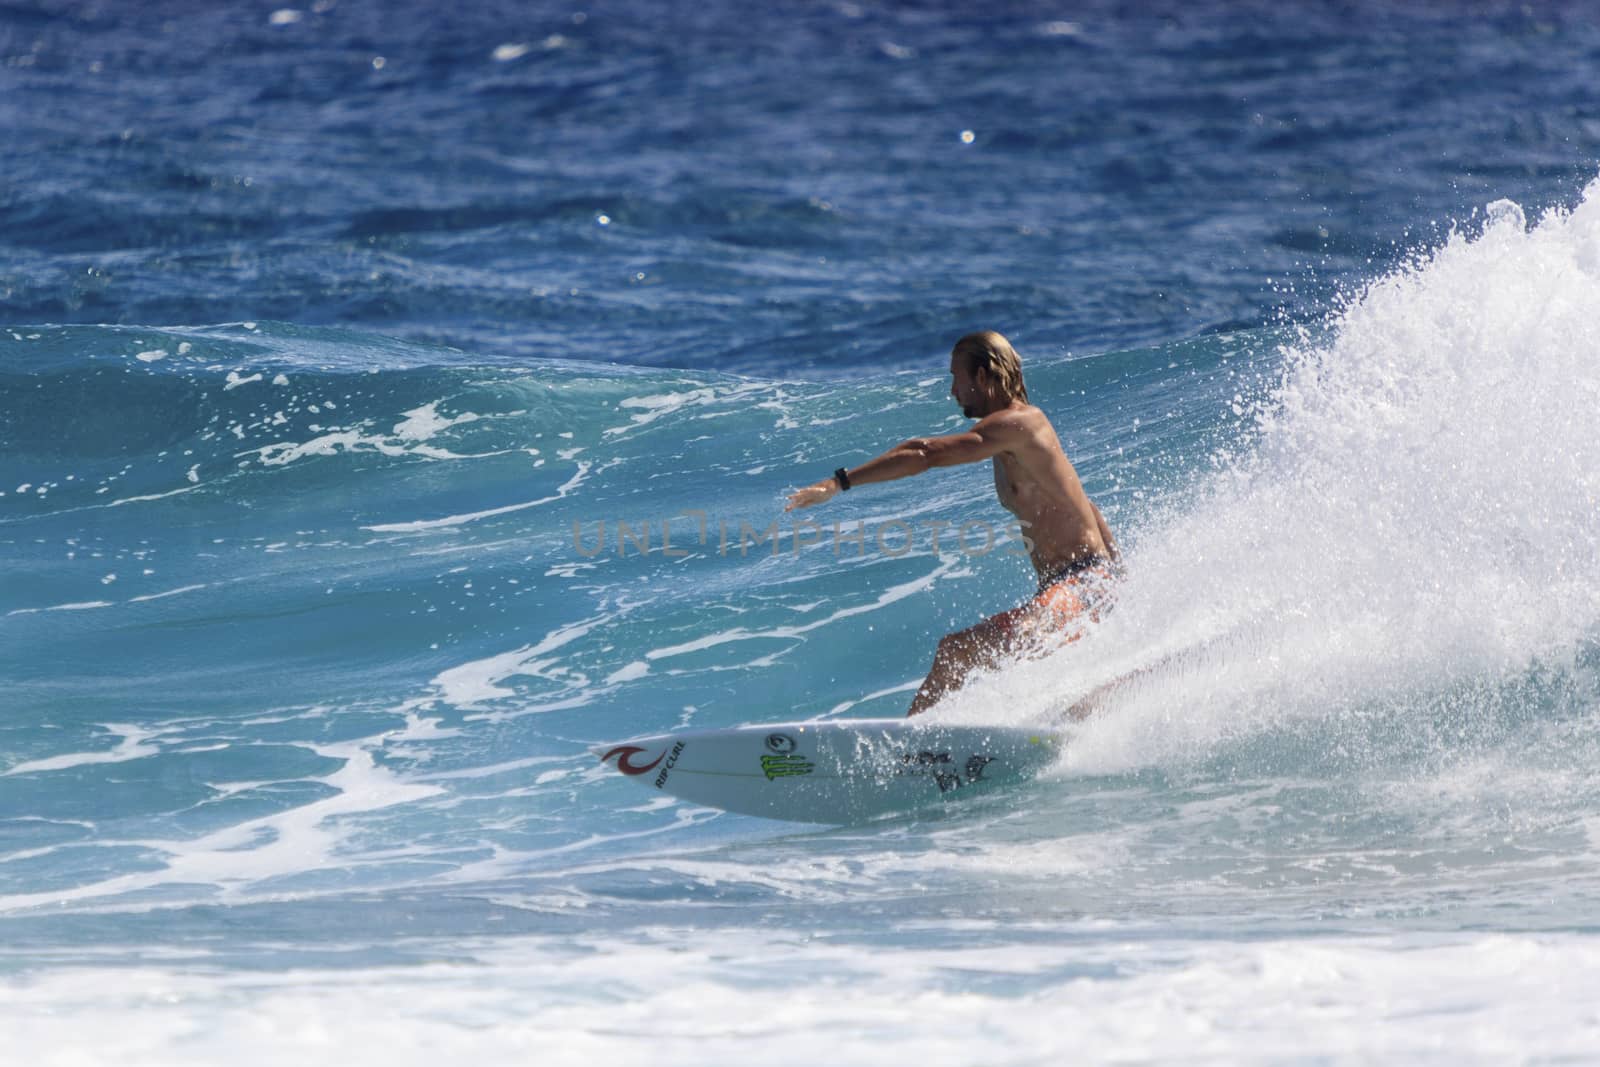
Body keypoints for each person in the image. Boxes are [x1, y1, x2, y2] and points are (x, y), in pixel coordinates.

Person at [785, 330, 1120, 716]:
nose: (952, 391)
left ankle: (914, 751)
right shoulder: (1014, 435)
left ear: (981, 376)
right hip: (1071, 587)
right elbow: (1087, 505)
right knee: (991, 653)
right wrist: (1120, 578)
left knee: (960, 650)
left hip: (1081, 583)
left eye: (955, 377)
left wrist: (839, 482)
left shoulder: (1021, 425)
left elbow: (923, 453)